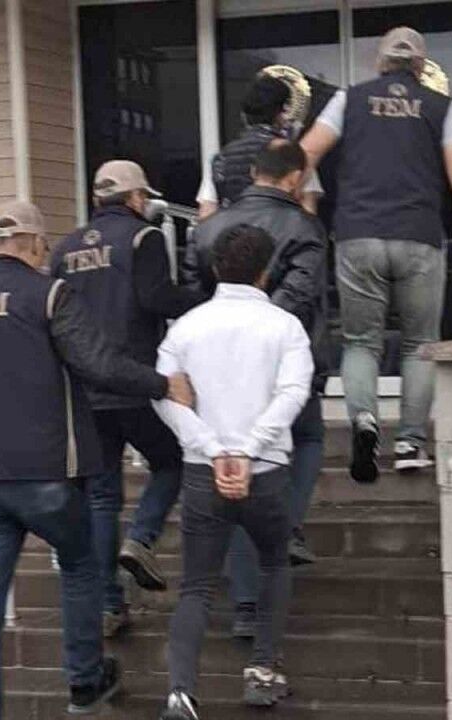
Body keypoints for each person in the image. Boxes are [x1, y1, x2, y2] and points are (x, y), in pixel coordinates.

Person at [0, 200, 193, 719]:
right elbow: (97, 364)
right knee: (80, 562)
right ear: (36, 246)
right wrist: (161, 384)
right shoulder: (49, 295)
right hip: (43, 474)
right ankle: (84, 681)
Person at [300, 26, 452, 482]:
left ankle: (365, 425)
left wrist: (300, 206)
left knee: (361, 341)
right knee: (419, 343)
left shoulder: (348, 100)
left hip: (358, 235)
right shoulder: (441, 107)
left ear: (379, 61)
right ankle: (410, 443)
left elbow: (306, 152)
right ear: (421, 67)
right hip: (418, 236)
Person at [153, 225, 313, 719]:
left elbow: (164, 395)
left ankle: (180, 693)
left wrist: (212, 448)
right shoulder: (286, 326)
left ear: (216, 268)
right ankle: (262, 672)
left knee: (196, 586)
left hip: (203, 472)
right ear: (267, 271)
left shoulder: (184, 327)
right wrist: (247, 450)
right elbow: (293, 393)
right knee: (275, 564)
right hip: (266, 470)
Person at [50, 160, 205, 638]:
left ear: (98, 199)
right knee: (172, 461)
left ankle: (108, 606)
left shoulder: (65, 248)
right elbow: (157, 298)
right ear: (137, 198)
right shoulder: (144, 237)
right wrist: (207, 296)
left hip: (84, 389)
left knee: (101, 498)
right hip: (134, 381)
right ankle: (141, 538)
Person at [188, 139, 327, 636]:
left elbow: (193, 297)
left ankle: (246, 606)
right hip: (284, 363)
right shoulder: (305, 228)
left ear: (252, 173)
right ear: (294, 179)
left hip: (219, 372)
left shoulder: (208, 229)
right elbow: (302, 296)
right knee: (306, 440)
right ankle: (287, 525)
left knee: (236, 474)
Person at [195, 73, 324, 220]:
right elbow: (308, 209)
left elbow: (207, 212)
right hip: (280, 231)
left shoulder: (221, 158)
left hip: (232, 232)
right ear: (282, 114)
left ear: (243, 116)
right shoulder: (293, 155)